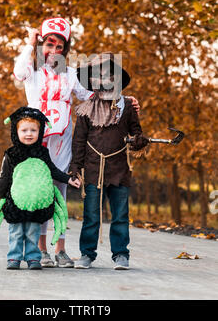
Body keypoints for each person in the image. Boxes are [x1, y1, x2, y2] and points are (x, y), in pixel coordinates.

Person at [13, 17, 140, 268]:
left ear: (66, 49)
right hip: (37, 142)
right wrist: (29, 43)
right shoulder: (33, 71)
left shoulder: (71, 74)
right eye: (49, 44)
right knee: (40, 193)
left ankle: (60, 249)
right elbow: (18, 72)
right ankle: (40, 250)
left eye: (60, 47)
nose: (54, 51)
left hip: (63, 141)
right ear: (41, 44)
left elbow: (97, 95)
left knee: (59, 193)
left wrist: (125, 99)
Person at [70, 53, 149, 270]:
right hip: (93, 169)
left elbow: (136, 134)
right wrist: (75, 168)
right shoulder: (85, 109)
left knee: (121, 215)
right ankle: (87, 254)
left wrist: (139, 141)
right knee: (92, 215)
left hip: (119, 169)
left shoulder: (127, 106)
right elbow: (79, 141)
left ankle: (121, 254)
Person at [0, 106, 80, 270]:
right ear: (16, 132)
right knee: (16, 231)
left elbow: (52, 170)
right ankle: (14, 257)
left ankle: (33, 257)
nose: (29, 134)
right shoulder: (11, 154)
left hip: (36, 202)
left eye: (33, 130)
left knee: (33, 231)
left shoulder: (42, 152)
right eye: (24, 130)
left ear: (40, 132)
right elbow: (4, 176)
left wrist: (68, 180)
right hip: (16, 200)